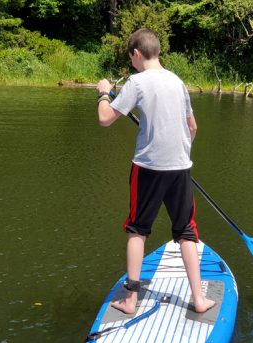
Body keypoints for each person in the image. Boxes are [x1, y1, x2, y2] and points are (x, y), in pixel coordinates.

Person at [95, 28, 215, 314]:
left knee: (137, 230)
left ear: (137, 54)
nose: (132, 64)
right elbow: (193, 127)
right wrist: (180, 154)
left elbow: (104, 119)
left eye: (131, 58)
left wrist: (103, 94)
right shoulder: (178, 81)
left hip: (147, 169)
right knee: (187, 231)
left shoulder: (136, 83)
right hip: (180, 168)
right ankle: (199, 300)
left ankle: (131, 300)